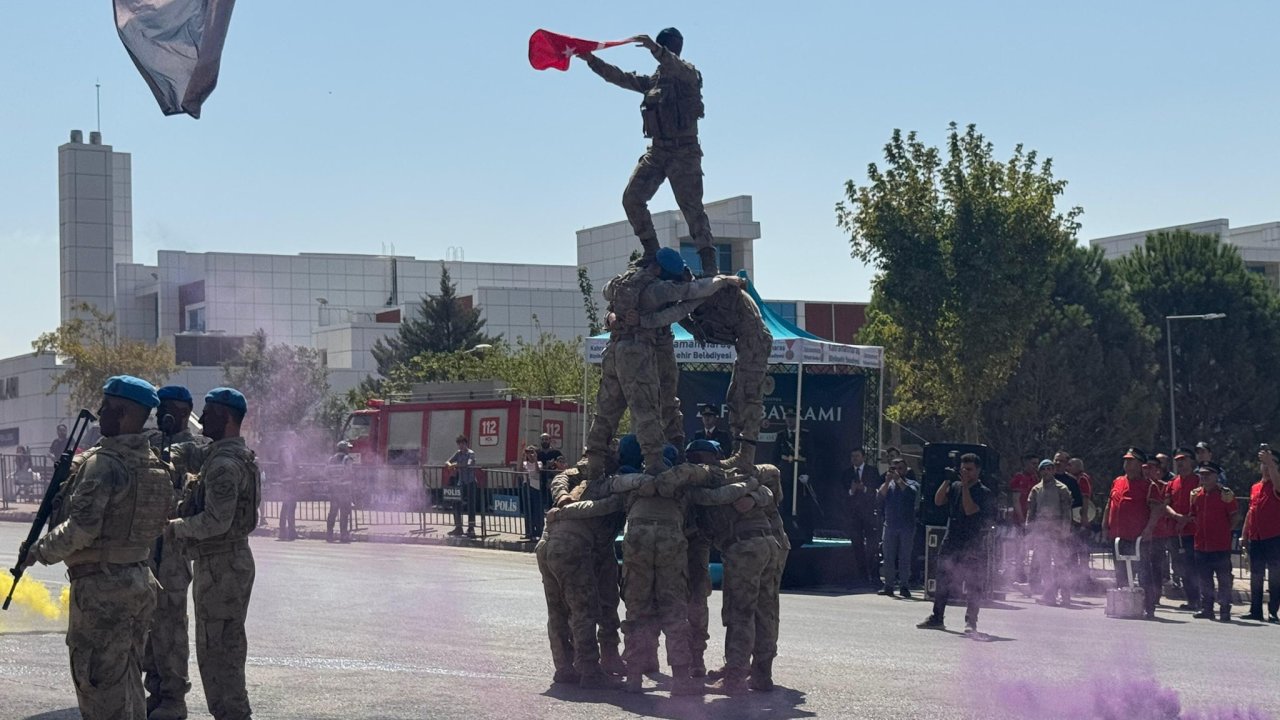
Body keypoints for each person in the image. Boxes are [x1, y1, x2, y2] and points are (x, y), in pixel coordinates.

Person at [22, 376, 172, 720]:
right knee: (129, 682)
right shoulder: (154, 465)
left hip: (103, 591)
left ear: (121, 414)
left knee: (100, 688)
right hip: (138, 580)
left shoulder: (104, 464)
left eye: (106, 408)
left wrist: (38, 551)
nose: (100, 414)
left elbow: (82, 528)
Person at [579, 28, 715, 274]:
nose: (675, 50)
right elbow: (620, 77)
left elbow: (675, 65)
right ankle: (651, 250)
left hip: (684, 152)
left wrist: (655, 49)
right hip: (659, 151)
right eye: (670, 45)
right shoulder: (654, 81)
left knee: (691, 207)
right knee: (632, 198)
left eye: (675, 46)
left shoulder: (688, 74)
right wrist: (591, 60)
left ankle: (709, 263)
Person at [169, 387, 259, 720]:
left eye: (208, 413)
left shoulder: (222, 464)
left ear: (224, 416)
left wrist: (174, 527)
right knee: (223, 644)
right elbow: (191, 452)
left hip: (221, 563)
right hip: (227, 561)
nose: (202, 418)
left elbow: (215, 521)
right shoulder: (228, 454)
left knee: (219, 650)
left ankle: (233, 713)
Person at [143, 384, 208, 720]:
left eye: (168, 408)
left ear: (185, 412)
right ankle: (153, 688)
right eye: (158, 409)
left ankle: (173, 697)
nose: (161, 415)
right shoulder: (149, 443)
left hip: (171, 550)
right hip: (143, 548)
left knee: (170, 625)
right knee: (146, 625)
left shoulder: (198, 449)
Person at [676, 279, 773, 470]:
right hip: (745, 344)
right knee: (735, 399)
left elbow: (710, 318)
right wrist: (691, 325)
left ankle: (746, 454)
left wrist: (691, 324)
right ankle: (739, 450)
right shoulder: (712, 291)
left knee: (750, 398)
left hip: (754, 342)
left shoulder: (717, 290)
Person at [917, 453, 994, 637]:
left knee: (973, 584)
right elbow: (938, 501)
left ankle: (971, 622)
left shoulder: (983, 492)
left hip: (973, 543)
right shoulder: (956, 486)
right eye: (963, 469)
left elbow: (969, 510)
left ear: (978, 471)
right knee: (943, 578)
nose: (966, 472)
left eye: (970, 469)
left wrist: (966, 486)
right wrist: (947, 481)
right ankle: (937, 617)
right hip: (952, 539)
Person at [1104, 448, 1165, 620]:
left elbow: (1156, 510)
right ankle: (1124, 605)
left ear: (1139, 465)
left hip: (1138, 539)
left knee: (1144, 572)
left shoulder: (1148, 486)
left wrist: (1148, 529)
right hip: (1118, 536)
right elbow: (1110, 504)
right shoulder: (1118, 481)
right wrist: (1104, 525)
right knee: (1120, 572)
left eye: (1131, 461)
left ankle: (1149, 607)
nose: (1127, 464)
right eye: (1126, 460)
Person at [1186, 461, 1240, 622]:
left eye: (1207, 475)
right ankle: (1207, 608)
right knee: (1204, 579)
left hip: (1220, 546)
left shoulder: (1225, 495)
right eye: (1201, 474)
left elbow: (1235, 517)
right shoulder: (1196, 495)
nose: (1204, 477)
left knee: (1224, 579)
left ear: (1216, 477)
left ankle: (1224, 609)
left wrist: (1224, 531)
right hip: (1201, 545)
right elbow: (1193, 515)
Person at [1026, 459, 1074, 605]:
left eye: (1049, 469)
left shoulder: (1062, 489)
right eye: (1043, 469)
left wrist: (1065, 530)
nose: (1046, 472)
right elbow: (1031, 511)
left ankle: (1065, 595)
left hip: (1057, 530)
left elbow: (1067, 512)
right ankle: (1049, 595)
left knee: (1061, 564)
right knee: (1044, 565)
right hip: (1041, 532)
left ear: (1053, 470)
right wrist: (1030, 530)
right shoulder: (1036, 490)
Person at [1240, 446, 1280, 623]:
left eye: (1269, 464)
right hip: (1256, 537)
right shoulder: (1255, 487)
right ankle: (1255, 610)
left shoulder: (1276, 485)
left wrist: (1271, 463)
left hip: (1274, 537)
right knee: (1256, 575)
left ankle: (1273, 610)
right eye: (1263, 463)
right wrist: (1244, 535)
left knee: (1275, 576)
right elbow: (1251, 511)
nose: (1265, 467)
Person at [877, 458, 920, 597]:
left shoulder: (912, 483)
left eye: (900, 468)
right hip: (890, 525)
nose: (897, 471)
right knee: (888, 556)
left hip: (907, 526)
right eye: (894, 468)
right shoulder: (888, 484)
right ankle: (888, 585)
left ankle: (904, 586)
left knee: (904, 557)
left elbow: (911, 494)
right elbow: (880, 497)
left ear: (906, 469)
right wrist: (888, 481)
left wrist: (898, 480)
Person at [1166, 448, 1203, 610]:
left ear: (1191, 461)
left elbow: (1201, 503)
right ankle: (1191, 600)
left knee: (1196, 567)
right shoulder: (1172, 483)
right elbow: (1166, 504)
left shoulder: (1199, 480)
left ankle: (1201, 600)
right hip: (1177, 532)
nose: (1180, 463)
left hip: (1194, 532)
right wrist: (1177, 517)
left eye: (1184, 459)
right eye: (1178, 460)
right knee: (1182, 568)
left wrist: (1187, 518)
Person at [842, 447, 881, 586]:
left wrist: (864, 489)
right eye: (852, 456)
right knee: (857, 546)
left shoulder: (872, 471)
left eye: (857, 456)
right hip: (854, 516)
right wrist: (851, 491)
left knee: (872, 546)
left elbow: (876, 491)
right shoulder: (847, 473)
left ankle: (874, 576)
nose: (854, 459)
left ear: (863, 457)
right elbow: (843, 495)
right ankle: (862, 577)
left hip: (869, 514)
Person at [447, 435, 479, 538]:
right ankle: (458, 527)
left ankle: (471, 528)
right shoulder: (458, 453)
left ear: (466, 444)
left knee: (471, 506)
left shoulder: (471, 453)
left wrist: (456, 465)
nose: (460, 446)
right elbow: (448, 461)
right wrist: (450, 465)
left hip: (470, 482)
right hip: (461, 482)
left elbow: (469, 464)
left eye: (462, 444)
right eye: (459, 444)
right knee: (456, 503)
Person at [326, 440, 355, 543]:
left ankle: (329, 535)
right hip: (344, 490)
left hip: (334, 490)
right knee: (344, 513)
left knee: (332, 512)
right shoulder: (347, 459)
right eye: (348, 448)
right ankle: (344, 535)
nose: (349, 450)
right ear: (344, 449)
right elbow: (350, 474)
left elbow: (327, 474)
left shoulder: (330, 460)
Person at [535, 432, 564, 515]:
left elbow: (562, 463)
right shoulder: (537, 453)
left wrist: (554, 464)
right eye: (543, 439)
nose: (545, 441)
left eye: (546, 439)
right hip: (540, 479)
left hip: (552, 479)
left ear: (550, 440)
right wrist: (546, 466)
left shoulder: (556, 453)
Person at [520, 445, 545, 541]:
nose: (529, 454)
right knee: (527, 510)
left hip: (536, 487)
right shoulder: (525, 463)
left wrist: (535, 459)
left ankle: (538, 531)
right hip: (526, 486)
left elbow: (537, 472)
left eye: (531, 452)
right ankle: (529, 532)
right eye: (528, 452)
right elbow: (519, 470)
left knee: (537, 510)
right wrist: (522, 457)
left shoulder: (539, 463)